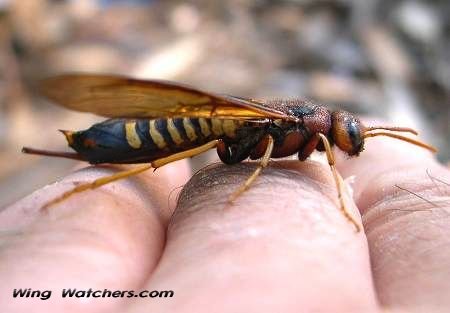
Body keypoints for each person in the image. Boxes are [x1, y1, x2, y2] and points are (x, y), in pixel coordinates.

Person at [1, 131, 449, 313]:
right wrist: (257, 174)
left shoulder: (294, 128)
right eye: (344, 137)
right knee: (195, 137)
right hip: (148, 133)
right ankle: (106, 168)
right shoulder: (296, 128)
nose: (347, 145)